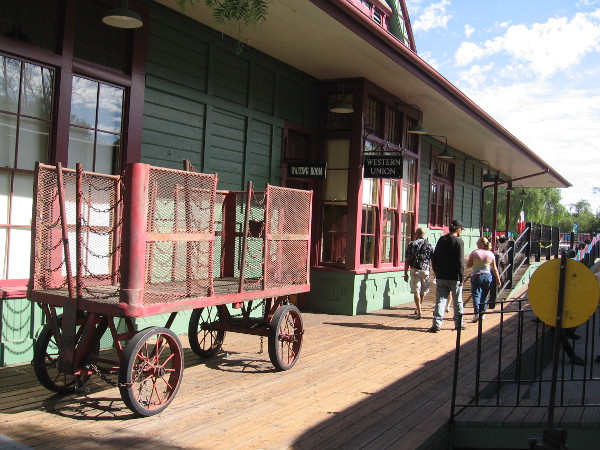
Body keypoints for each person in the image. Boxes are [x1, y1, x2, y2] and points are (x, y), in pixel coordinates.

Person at [429, 219, 465, 332]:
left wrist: (436, 270)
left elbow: (434, 257)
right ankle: (459, 323)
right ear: (458, 229)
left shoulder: (441, 240)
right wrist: (462, 276)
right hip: (455, 277)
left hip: (441, 275)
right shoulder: (459, 242)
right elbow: (460, 261)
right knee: (457, 301)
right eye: (461, 230)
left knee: (440, 300)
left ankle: (437, 324)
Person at [466, 237, 501, 322]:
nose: (476, 243)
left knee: (476, 294)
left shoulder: (475, 253)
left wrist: (476, 263)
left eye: (477, 242)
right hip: (487, 275)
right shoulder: (491, 254)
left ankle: (477, 313)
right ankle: (482, 313)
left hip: (477, 275)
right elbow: (494, 268)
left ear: (481, 244)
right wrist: (498, 279)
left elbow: (468, 265)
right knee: (485, 295)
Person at [404, 228, 434, 319]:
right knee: (423, 291)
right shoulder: (430, 245)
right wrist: (435, 271)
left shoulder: (412, 244)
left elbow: (407, 260)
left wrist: (405, 273)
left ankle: (419, 310)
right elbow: (432, 259)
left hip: (415, 269)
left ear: (416, 234)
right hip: (425, 270)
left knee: (416, 290)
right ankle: (419, 308)